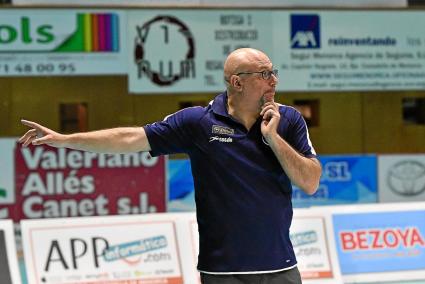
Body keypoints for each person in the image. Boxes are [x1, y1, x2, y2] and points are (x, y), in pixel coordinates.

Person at [20, 48, 321, 284]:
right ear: (237, 82)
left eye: (273, 72)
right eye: (264, 73)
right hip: (223, 271)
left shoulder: (289, 120)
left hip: (281, 266)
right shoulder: (198, 123)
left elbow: (310, 182)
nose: (274, 80)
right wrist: (64, 139)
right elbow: (129, 139)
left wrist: (272, 138)